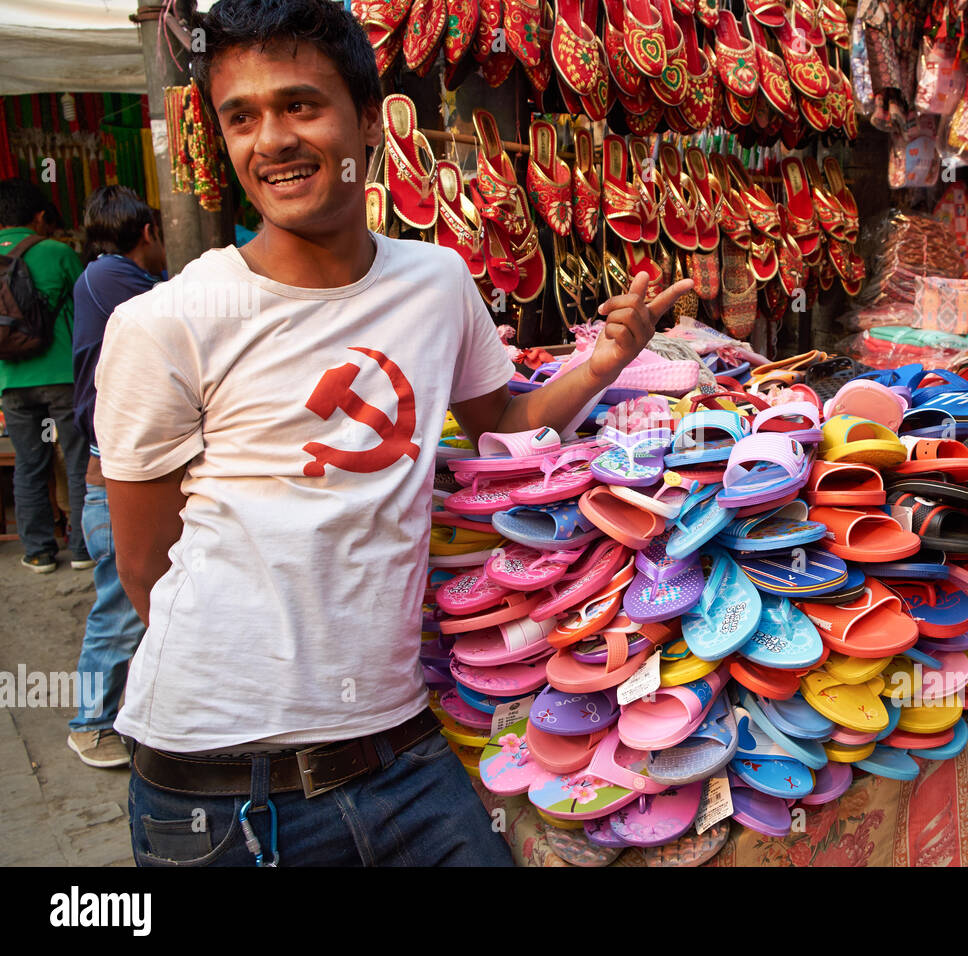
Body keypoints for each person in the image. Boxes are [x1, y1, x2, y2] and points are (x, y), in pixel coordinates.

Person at [95, 0, 691, 866]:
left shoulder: (437, 279)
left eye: (301, 104)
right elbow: (147, 569)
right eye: (242, 117)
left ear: (368, 121)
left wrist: (603, 364)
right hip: (218, 785)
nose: (273, 140)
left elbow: (505, 423)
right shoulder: (167, 323)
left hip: (398, 750)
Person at [65, 185, 166, 769]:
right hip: (114, 480)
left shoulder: (106, 278)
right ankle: (89, 722)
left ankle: (122, 718)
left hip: (113, 471)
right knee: (117, 609)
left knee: (131, 606)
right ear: (148, 232)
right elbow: (184, 312)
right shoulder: (110, 277)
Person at [0, 179, 91, 573]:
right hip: (60, 381)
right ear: (38, 217)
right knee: (75, 459)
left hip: (13, 385)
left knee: (30, 462)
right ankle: (84, 548)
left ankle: (38, 550)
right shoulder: (57, 251)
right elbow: (87, 307)